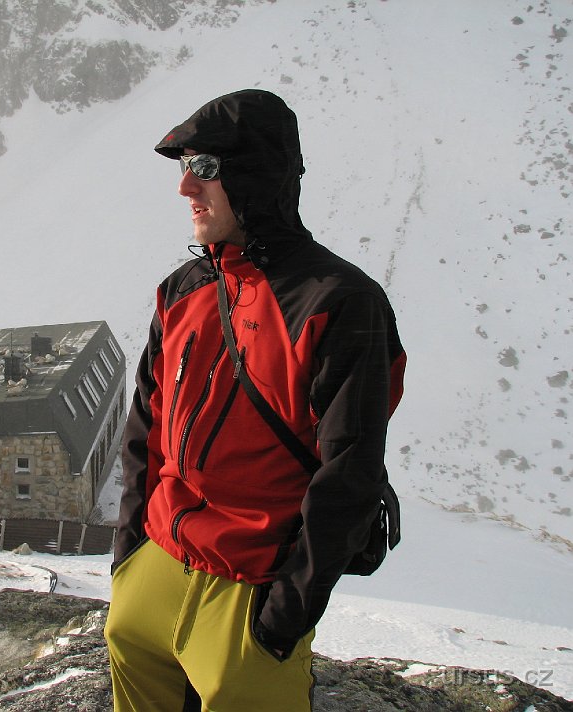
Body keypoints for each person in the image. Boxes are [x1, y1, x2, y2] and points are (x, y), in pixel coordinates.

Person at [104, 89, 406, 711]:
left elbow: (348, 474)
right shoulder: (182, 290)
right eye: (185, 166)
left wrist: (282, 620)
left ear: (258, 177)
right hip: (157, 564)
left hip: (251, 587)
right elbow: (146, 429)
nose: (186, 187)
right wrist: (128, 559)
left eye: (206, 167)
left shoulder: (339, 302)